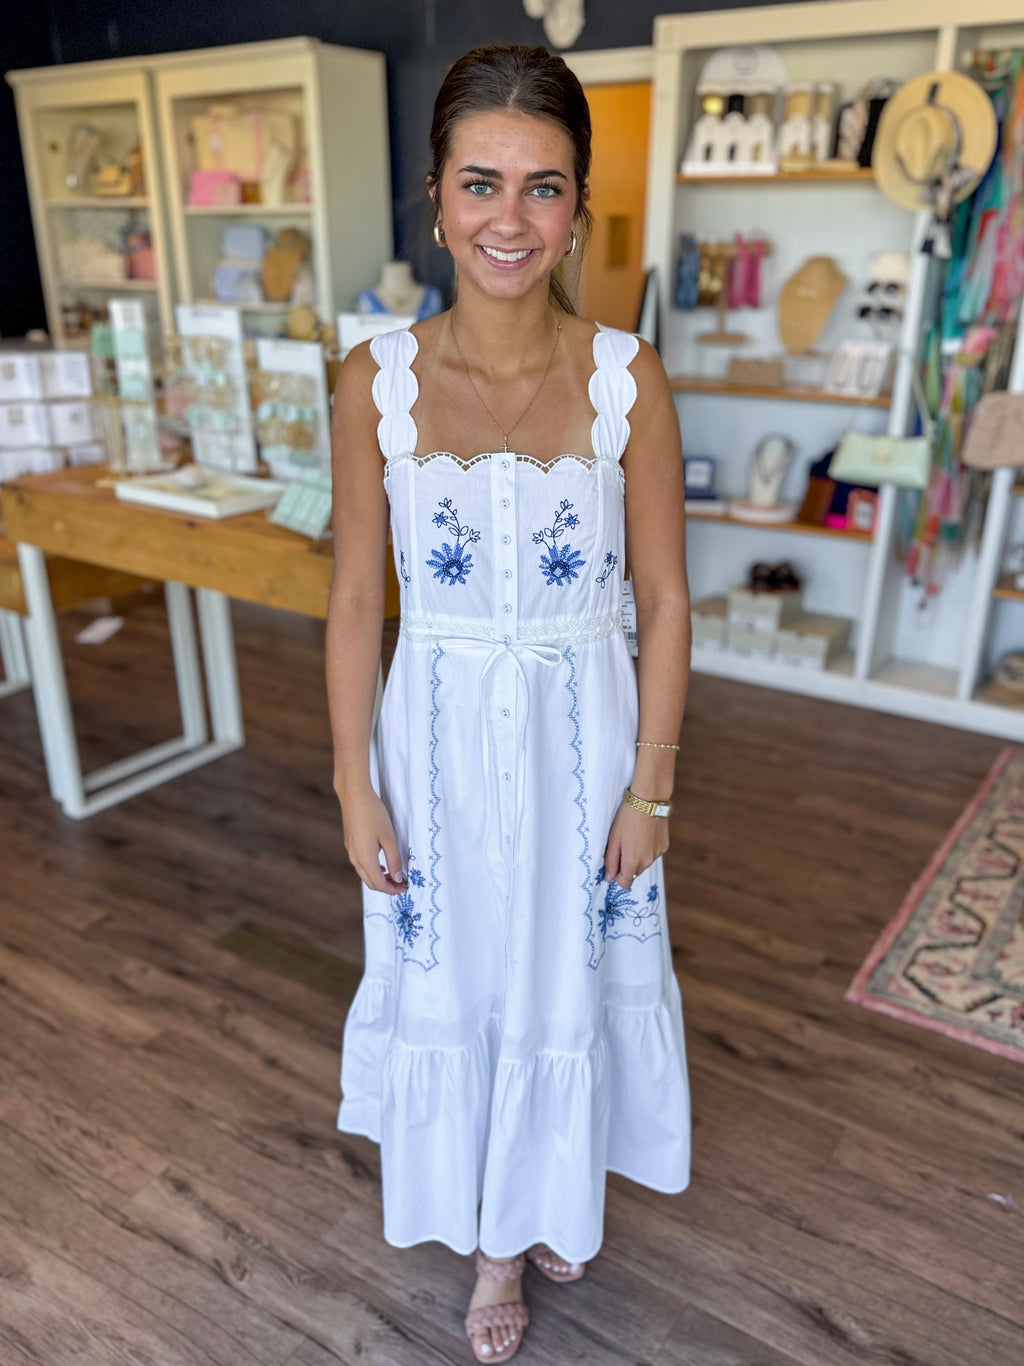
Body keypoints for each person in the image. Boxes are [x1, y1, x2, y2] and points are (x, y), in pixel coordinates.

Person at [327, 44, 692, 1364]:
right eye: (482, 183)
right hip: (428, 739)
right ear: (436, 197)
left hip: (582, 742)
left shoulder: (626, 379)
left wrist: (651, 787)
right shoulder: (373, 381)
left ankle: (521, 1223)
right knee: (466, 967)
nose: (510, 218)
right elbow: (357, 599)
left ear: (579, 203)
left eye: (544, 188)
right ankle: (495, 1207)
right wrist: (352, 782)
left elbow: (666, 598)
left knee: (564, 969)